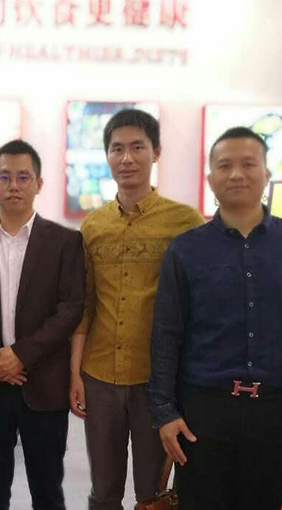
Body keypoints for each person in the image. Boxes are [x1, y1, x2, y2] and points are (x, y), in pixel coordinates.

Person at [148, 126, 282, 510]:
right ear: (211, 179)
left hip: (278, 414)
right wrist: (164, 412)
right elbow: (167, 334)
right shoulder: (185, 250)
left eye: (248, 164)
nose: (236, 174)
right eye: (225, 166)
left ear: (267, 174)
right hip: (203, 412)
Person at [69, 109, 204, 509]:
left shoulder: (185, 223)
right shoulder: (93, 226)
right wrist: (74, 373)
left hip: (157, 381)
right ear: (107, 156)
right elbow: (85, 305)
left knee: (153, 492)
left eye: (137, 147)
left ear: (156, 152)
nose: (126, 158)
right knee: (104, 490)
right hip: (99, 376)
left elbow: (200, 306)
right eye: (117, 149)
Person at [0, 139, 85, 510]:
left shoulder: (65, 242)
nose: (13, 185)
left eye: (23, 177)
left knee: (48, 492)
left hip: (43, 384)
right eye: (5, 177)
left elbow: (70, 308)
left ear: (38, 184)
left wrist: (21, 355)